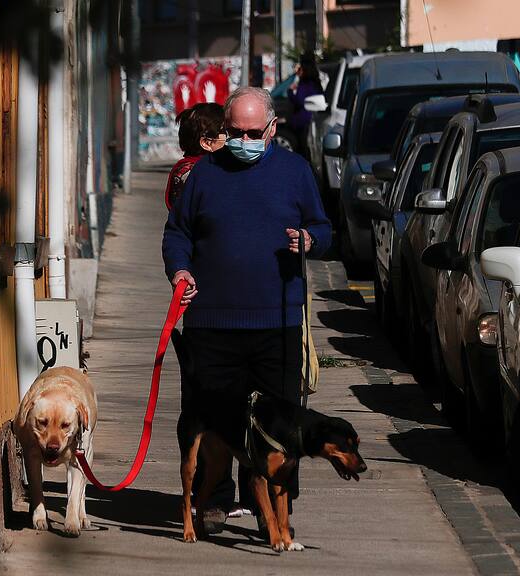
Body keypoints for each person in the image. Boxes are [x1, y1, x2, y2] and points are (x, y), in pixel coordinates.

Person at [162, 86, 331, 537]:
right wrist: (180, 270)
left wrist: (310, 240)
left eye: (253, 133)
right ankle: (213, 501)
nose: (242, 141)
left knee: (276, 426)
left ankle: (270, 509)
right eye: (234, 131)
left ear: (272, 129)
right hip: (211, 325)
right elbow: (177, 233)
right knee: (214, 421)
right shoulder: (204, 174)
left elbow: (323, 227)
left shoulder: (295, 171)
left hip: (277, 323)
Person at [164, 103, 226, 210]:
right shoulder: (190, 171)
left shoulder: (214, 165)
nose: (232, 137)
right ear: (207, 142)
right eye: (225, 131)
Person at [286, 54, 323, 160]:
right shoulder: (315, 82)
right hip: (311, 119)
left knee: (303, 150)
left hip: (303, 121)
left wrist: (290, 92)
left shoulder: (305, 83)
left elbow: (300, 101)